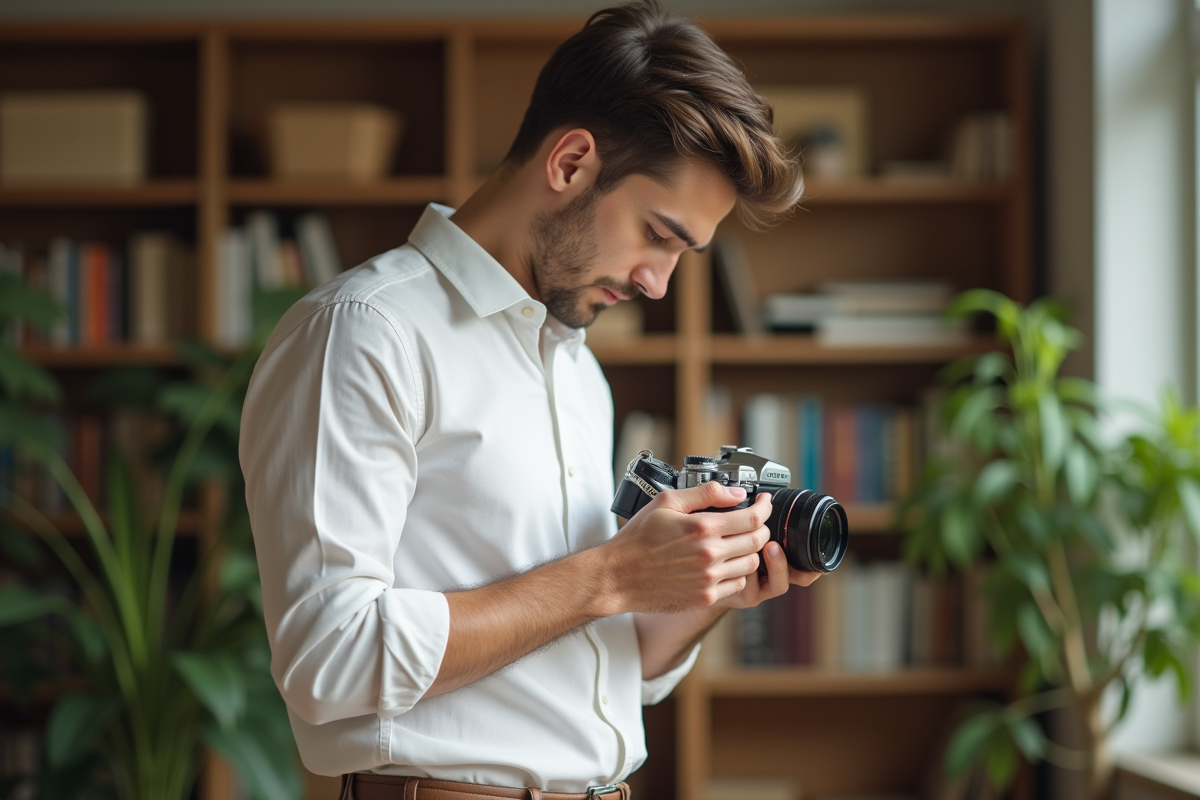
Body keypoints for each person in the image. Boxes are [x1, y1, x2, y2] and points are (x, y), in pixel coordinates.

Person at [239, 3, 810, 798]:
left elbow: (592, 666)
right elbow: (329, 659)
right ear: (572, 161)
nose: (657, 282)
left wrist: (702, 585)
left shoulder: (578, 371)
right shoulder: (365, 333)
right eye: (657, 233)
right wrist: (609, 575)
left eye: (682, 253)